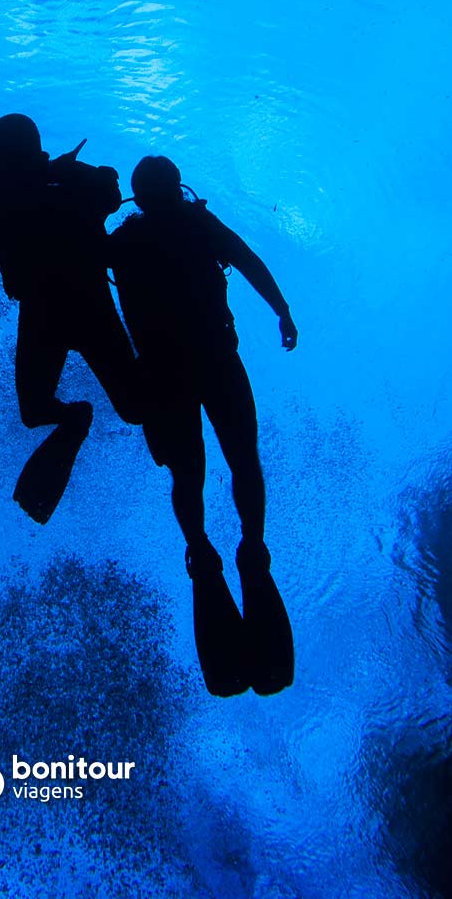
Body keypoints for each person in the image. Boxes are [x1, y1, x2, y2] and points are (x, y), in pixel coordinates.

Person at [107, 155, 297, 695]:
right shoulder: (195, 224)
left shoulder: (125, 241)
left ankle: (203, 548)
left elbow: (81, 279)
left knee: (192, 471)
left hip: (167, 372)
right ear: (176, 188)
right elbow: (248, 260)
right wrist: (281, 310)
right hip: (212, 362)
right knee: (238, 461)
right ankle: (245, 546)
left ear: (140, 197)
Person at [0, 114, 140, 522]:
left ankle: (80, 416)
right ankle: (80, 417)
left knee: (57, 409)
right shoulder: (27, 187)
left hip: (62, 307)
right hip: (70, 305)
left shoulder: (7, 194)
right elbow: (110, 196)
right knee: (40, 410)